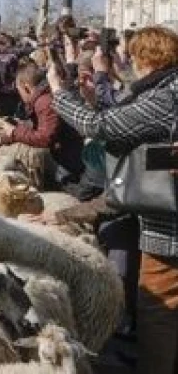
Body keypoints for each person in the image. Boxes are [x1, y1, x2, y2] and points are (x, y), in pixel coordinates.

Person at [49, 26, 178, 374]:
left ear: (147, 58)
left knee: (160, 311)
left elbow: (99, 125)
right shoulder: (162, 91)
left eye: (131, 55)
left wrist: (59, 91)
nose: (128, 61)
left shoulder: (168, 96)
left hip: (169, 231)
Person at [0, 62, 83, 190]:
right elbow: (35, 125)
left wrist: (15, 132)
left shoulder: (44, 102)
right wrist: (5, 139)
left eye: (19, 90)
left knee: (70, 189)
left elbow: (45, 137)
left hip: (71, 157)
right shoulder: (43, 98)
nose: (19, 95)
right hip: (67, 153)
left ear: (26, 88)